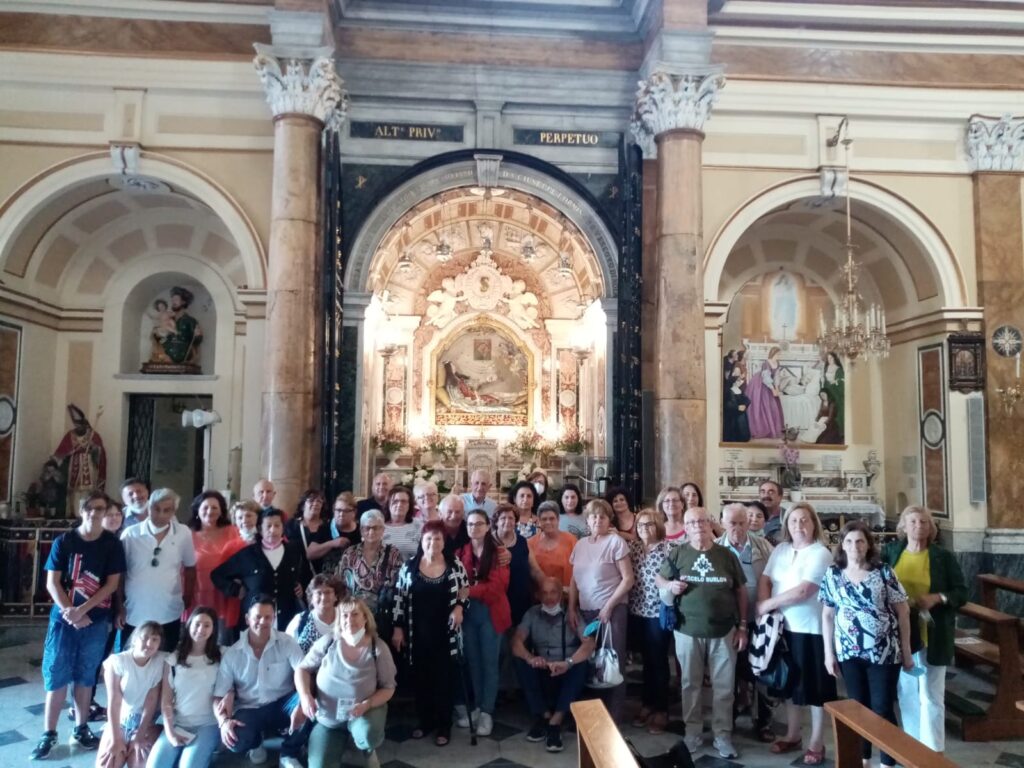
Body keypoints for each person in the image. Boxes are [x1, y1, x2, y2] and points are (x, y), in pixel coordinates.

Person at [31, 492, 125, 760]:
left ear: (106, 512)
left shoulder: (111, 544)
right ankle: (48, 733)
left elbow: (111, 584)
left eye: (100, 509)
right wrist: (70, 612)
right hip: (63, 621)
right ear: (82, 511)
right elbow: (53, 582)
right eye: (90, 508)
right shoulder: (65, 541)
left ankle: (81, 727)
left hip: (95, 620)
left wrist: (83, 610)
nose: (95, 513)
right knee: (57, 674)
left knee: (86, 675)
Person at [820, 520, 913, 768]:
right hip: (848, 652)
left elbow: (903, 612)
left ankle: (887, 761)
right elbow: (827, 615)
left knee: (882, 707)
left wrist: (906, 651)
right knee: (857, 707)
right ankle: (862, 758)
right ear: (842, 544)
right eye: (849, 541)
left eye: (860, 541)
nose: (854, 546)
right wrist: (829, 654)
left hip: (884, 651)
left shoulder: (883, 572)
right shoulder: (833, 574)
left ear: (869, 544)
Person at [659, 506, 747, 759]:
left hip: (723, 631)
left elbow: (741, 591)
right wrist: (670, 585)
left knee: (724, 687)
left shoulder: (726, 556)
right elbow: (659, 580)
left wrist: (742, 626)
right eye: (692, 522)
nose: (697, 526)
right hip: (687, 630)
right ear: (685, 528)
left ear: (710, 524)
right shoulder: (678, 553)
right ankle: (692, 732)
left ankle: (722, 735)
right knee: (690, 684)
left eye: (701, 521)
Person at [882, 505, 967, 754]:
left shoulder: (943, 557)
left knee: (932, 693)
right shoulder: (891, 552)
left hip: (934, 630)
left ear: (931, 528)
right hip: (901, 633)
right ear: (903, 527)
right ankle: (912, 745)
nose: (919, 526)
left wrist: (937, 597)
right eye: (913, 522)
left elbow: (961, 592)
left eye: (924, 522)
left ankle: (933, 750)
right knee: (907, 691)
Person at [757, 502, 836, 766]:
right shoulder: (780, 549)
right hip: (782, 628)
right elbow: (765, 579)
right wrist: (768, 610)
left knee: (815, 688)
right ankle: (792, 734)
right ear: (786, 525)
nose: (799, 525)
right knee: (789, 684)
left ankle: (816, 741)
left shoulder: (820, 553)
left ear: (814, 523)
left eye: (804, 520)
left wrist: (767, 605)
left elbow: (805, 590)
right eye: (793, 521)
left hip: (811, 629)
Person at [391, 521, 470, 746]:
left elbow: (465, 588)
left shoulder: (454, 565)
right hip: (418, 633)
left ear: (444, 542)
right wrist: (398, 627)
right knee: (422, 678)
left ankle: (444, 724)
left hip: (446, 633)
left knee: (444, 679)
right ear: (421, 541)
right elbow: (399, 597)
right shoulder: (410, 567)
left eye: (437, 539)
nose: (432, 543)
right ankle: (425, 721)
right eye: (428, 539)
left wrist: (459, 607)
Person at [296, 597, 397, 768]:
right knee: (319, 765)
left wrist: (367, 704)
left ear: (365, 618)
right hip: (328, 718)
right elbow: (302, 669)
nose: (349, 619)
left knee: (367, 735)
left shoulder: (378, 648)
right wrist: (305, 696)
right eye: (344, 615)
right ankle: (342, 740)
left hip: (363, 713)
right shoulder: (328, 641)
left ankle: (366, 748)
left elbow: (388, 688)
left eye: (355, 614)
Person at [213, 598, 307, 768]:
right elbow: (218, 695)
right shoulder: (232, 654)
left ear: (273, 619)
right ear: (247, 618)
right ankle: (256, 744)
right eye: (257, 617)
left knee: (310, 704)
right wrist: (223, 722)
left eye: (268, 617)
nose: (262, 621)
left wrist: (303, 700)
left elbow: (303, 672)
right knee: (235, 740)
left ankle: (288, 753)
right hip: (250, 709)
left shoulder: (286, 642)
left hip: (282, 704)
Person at [512, 576, 595, 753]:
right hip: (544, 671)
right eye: (544, 593)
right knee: (520, 661)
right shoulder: (532, 614)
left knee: (581, 665)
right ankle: (544, 715)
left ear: (561, 594)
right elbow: (516, 642)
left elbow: (589, 644)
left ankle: (555, 722)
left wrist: (568, 663)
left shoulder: (572, 614)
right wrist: (530, 658)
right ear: (538, 595)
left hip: (566, 671)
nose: (549, 597)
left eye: (553, 592)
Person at [568, 498, 633, 719]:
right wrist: (570, 608)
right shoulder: (580, 544)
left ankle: (613, 716)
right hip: (585, 611)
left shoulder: (615, 542)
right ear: (587, 520)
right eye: (594, 516)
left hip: (611, 611)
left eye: (602, 516)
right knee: (589, 661)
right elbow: (574, 581)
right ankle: (594, 713)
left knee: (611, 662)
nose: (598, 520)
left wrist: (608, 607)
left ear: (609, 520)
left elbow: (628, 580)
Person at [717, 502, 775, 742]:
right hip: (727, 621)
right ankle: (726, 720)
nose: (738, 529)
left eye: (742, 523)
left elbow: (774, 578)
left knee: (761, 671)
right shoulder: (716, 548)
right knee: (727, 672)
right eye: (733, 523)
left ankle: (763, 722)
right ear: (722, 523)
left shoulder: (763, 546)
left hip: (758, 619)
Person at [119, 488, 197, 650]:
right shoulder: (130, 534)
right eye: (156, 509)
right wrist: (119, 604)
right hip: (135, 608)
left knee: (166, 658)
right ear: (148, 508)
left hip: (169, 608)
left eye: (167, 510)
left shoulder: (183, 533)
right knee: (131, 656)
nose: (161, 514)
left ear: (174, 511)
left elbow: (190, 568)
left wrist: (187, 596)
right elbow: (119, 573)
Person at [456, 509, 511, 736]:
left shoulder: (499, 553)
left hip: (492, 612)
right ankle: (478, 706)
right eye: (470, 524)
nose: (474, 528)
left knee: (489, 663)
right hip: (469, 614)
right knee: (473, 662)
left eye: (479, 524)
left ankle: (488, 711)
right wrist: (467, 593)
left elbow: (497, 588)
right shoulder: (461, 552)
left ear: (488, 526)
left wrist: (469, 590)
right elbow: (457, 582)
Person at [148, 608, 222, 768]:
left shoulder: (221, 656)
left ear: (213, 628)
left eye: (207, 625)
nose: (201, 629)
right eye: (197, 624)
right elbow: (166, 701)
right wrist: (169, 732)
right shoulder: (173, 659)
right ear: (188, 626)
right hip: (178, 724)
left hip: (208, 724)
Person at [211, 508, 308, 631]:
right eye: (268, 526)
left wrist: (300, 586)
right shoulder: (247, 555)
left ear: (283, 528)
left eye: (277, 525)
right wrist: (236, 590)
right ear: (260, 529)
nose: (273, 530)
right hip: (255, 621)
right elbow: (217, 575)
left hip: (286, 620)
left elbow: (301, 574)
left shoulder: (294, 552)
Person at [628, 508, 674, 734]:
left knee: (659, 662)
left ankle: (661, 710)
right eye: (640, 525)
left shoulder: (668, 549)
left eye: (649, 524)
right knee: (646, 661)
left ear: (658, 526)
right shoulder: (634, 548)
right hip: (637, 612)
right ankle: (647, 703)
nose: (644, 529)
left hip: (658, 614)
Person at [96, 622, 165, 768]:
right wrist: (116, 738)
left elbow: (151, 701)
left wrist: (139, 735)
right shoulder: (117, 661)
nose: (149, 643)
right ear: (134, 639)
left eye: (154, 639)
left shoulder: (159, 663)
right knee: (109, 762)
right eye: (144, 637)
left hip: (144, 723)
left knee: (140, 762)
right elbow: (114, 701)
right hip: (119, 722)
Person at [188, 491, 244, 643]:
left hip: (223, 596)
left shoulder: (232, 531)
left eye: (214, 507)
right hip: (196, 596)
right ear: (197, 510)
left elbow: (241, 561)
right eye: (205, 507)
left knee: (222, 643)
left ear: (221, 511)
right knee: (195, 643)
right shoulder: (187, 534)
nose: (210, 511)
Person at [337, 510, 403, 639]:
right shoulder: (350, 554)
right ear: (361, 530)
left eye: (376, 528)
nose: (371, 532)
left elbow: (400, 592)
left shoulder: (393, 554)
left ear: (383, 530)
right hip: (352, 619)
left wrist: (398, 625)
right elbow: (340, 587)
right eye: (367, 528)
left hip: (382, 620)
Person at [493, 502, 545, 626]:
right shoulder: (488, 542)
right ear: (496, 521)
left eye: (511, 518)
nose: (507, 521)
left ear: (516, 521)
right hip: (496, 602)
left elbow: (535, 570)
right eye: (503, 518)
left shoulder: (522, 542)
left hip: (521, 600)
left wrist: (547, 584)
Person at [285, 573, 345, 653]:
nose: (323, 597)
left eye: (328, 592)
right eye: (319, 593)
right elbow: (286, 652)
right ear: (311, 598)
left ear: (336, 596)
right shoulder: (300, 620)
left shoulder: (346, 618)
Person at [284, 489, 330, 579]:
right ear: (303, 505)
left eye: (319, 501)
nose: (316, 504)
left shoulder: (328, 528)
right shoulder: (291, 525)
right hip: (296, 577)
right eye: (311, 500)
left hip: (321, 578)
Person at [528, 501, 575, 590]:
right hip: (539, 596)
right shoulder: (530, 543)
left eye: (552, 518)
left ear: (558, 519)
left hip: (566, 595)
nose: (548, 522)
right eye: (544, 519)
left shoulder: (571, 540)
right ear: (538, 521)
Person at [317, 491, 361, 574]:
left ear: (354, 512)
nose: (341, 514)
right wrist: (332, 543)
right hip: (329, 580)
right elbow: (310, 553)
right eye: (338, 510)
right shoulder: (325, 528)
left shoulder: (361, 530)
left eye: (346, 511)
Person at [748, 346, 785, 440]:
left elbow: (777, 377)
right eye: (778, 354)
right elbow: (766, 378)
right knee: (762, 405)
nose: (779, 356)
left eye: (779, 354)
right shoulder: (766, 363)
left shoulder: (777, 363)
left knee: (773, 406)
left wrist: (777, 389)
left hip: (771, 383)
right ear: (773, 353)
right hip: (761, 384)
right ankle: (763, 429)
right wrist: (772, 389)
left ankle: (772, 428)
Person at [382, 485, 423, 560]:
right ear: (388, 504)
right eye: (395, 501)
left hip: (411, 570)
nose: (399, 505)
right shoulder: (379, 526)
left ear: (409, 505)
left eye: (403, 501)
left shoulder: (419, 526)